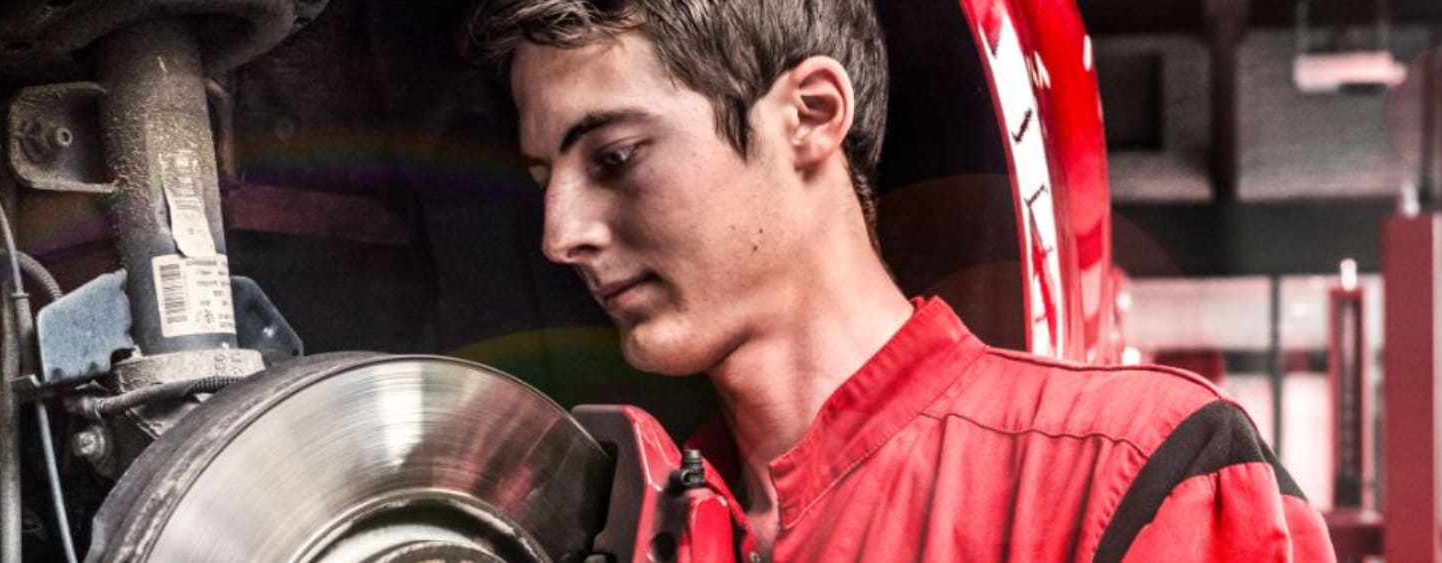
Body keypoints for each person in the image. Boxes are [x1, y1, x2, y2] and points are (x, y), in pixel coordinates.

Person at [468, 0, 1337, 561]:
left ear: (811, 115)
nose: (560, 235)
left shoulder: (1141, 469)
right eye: (546, 180)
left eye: (615, 157)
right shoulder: (620, 522)